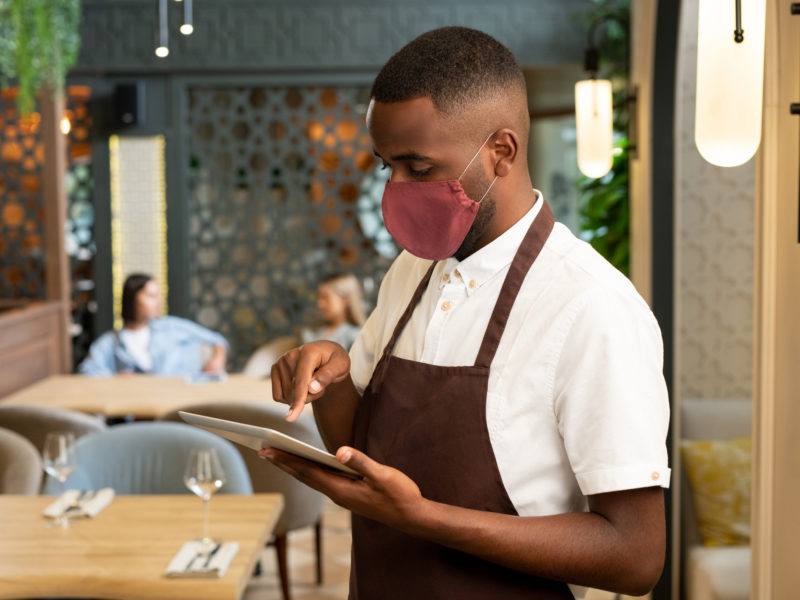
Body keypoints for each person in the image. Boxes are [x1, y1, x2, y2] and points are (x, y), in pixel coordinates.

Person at [265, 26, 670, 599]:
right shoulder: (411, 270)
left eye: (419, 167)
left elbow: (635, 556)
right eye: (387, 167)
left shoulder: (592, 306)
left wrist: (423, 517)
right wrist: (329, 378)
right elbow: (362, 447)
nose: (397, 189)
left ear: (501, 151)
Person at [78, 273, 229, 377]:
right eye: (151, 296)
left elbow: (218, 340)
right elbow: (87, 372)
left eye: (158, 296)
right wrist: (113, 379)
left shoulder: (172, 327)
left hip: (180, 405)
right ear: (132, 299)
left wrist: (217, 359)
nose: (159, 302)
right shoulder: (110, 342)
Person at [300, 272, 366, 351]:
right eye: (319, 297)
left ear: (345, 299)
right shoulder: (310, 332)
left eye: (325, 297)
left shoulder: (356, 336)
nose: (320, 304)